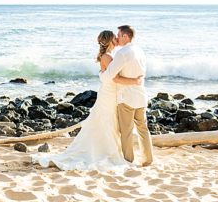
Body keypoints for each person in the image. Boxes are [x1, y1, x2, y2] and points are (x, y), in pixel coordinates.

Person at [31, 30, 142, 170]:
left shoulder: (109, 56)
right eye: (114, 37)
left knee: (108, 122)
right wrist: (135, 80)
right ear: (109, 41)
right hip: (109, 94)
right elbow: (116, 78)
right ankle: (105, 150)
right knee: (106, 122)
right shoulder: (108, 57)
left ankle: (109, 149)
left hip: (110, 93)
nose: (117, 39)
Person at [100, 25, 153, 167]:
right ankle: (148, 159)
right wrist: (135, 81)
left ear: (125, 36)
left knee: (126, 132)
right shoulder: (140, 51)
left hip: (126, 98)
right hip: (141, 96)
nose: (116, 38)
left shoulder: (122, 53)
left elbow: (110, 75)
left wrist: (101, 74)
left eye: (118, 35)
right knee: (143, 129)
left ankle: (128, 161)